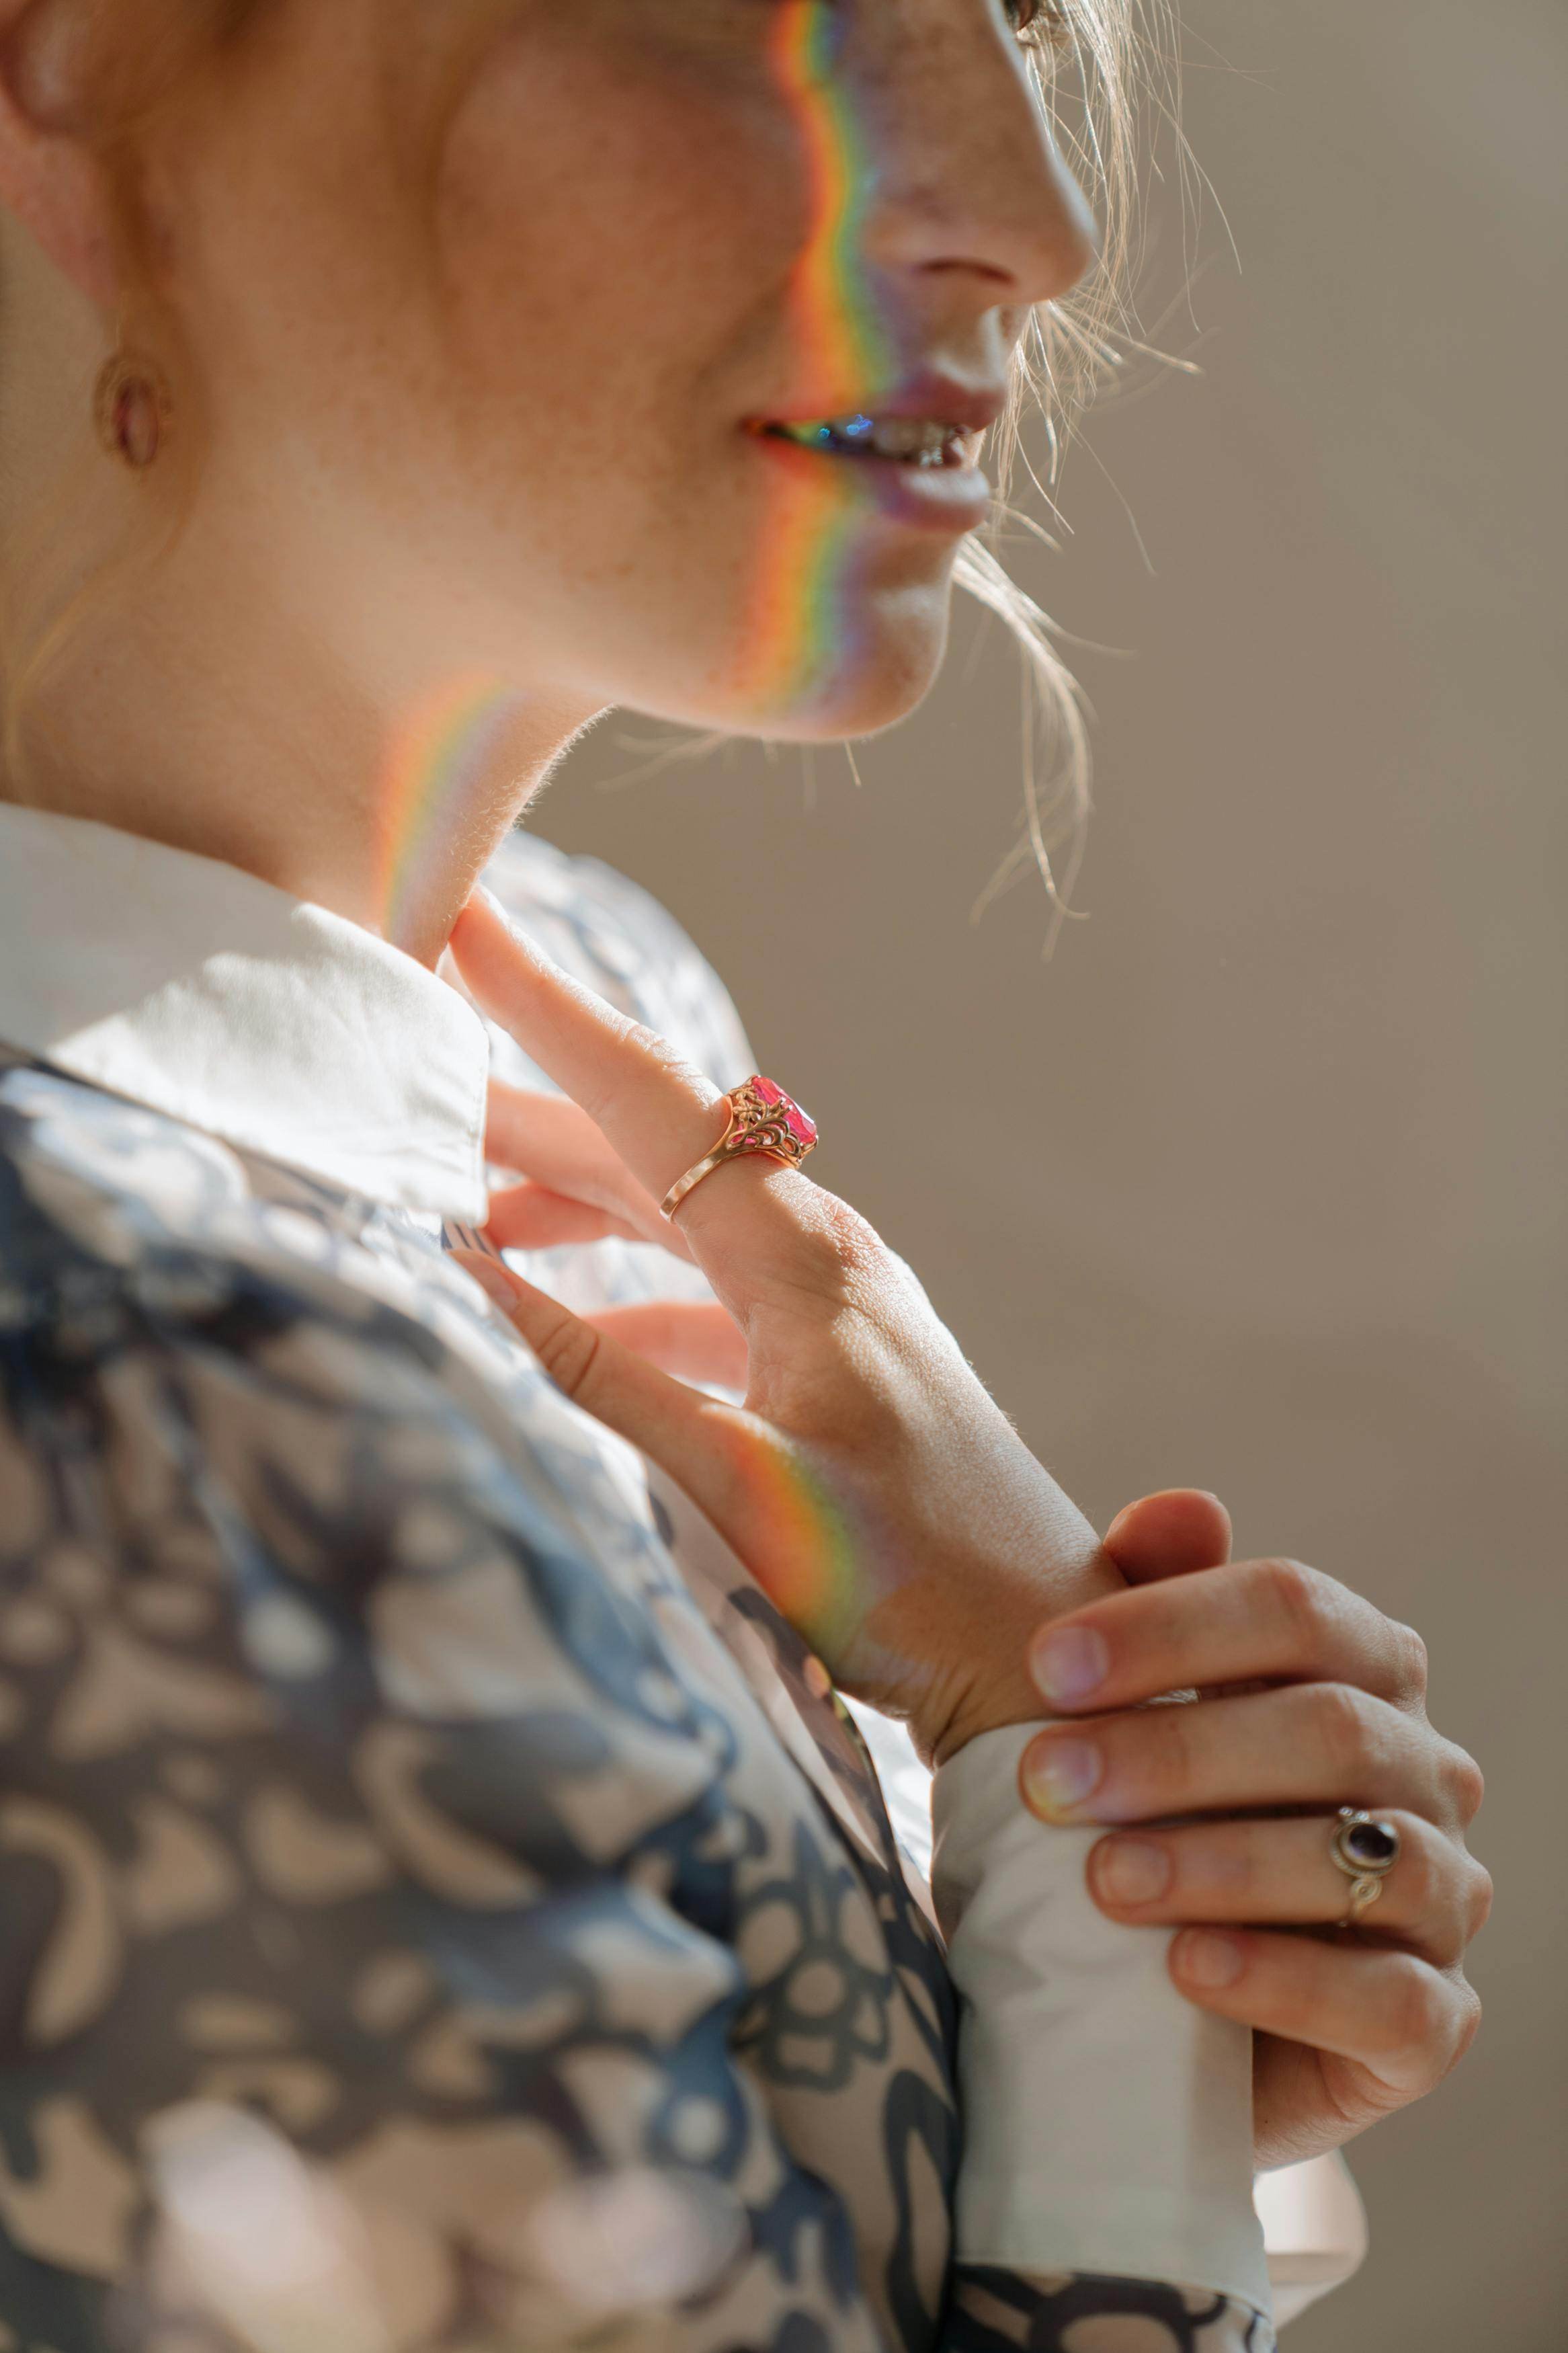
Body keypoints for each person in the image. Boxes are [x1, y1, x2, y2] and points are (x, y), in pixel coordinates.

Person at [0, 3, 1489, 2348]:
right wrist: (1112, 1952)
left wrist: (1075, 1841)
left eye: (1013, 10)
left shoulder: (592, 1008)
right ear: (83, 57)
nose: (1040, 223)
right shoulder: (140, 1390)